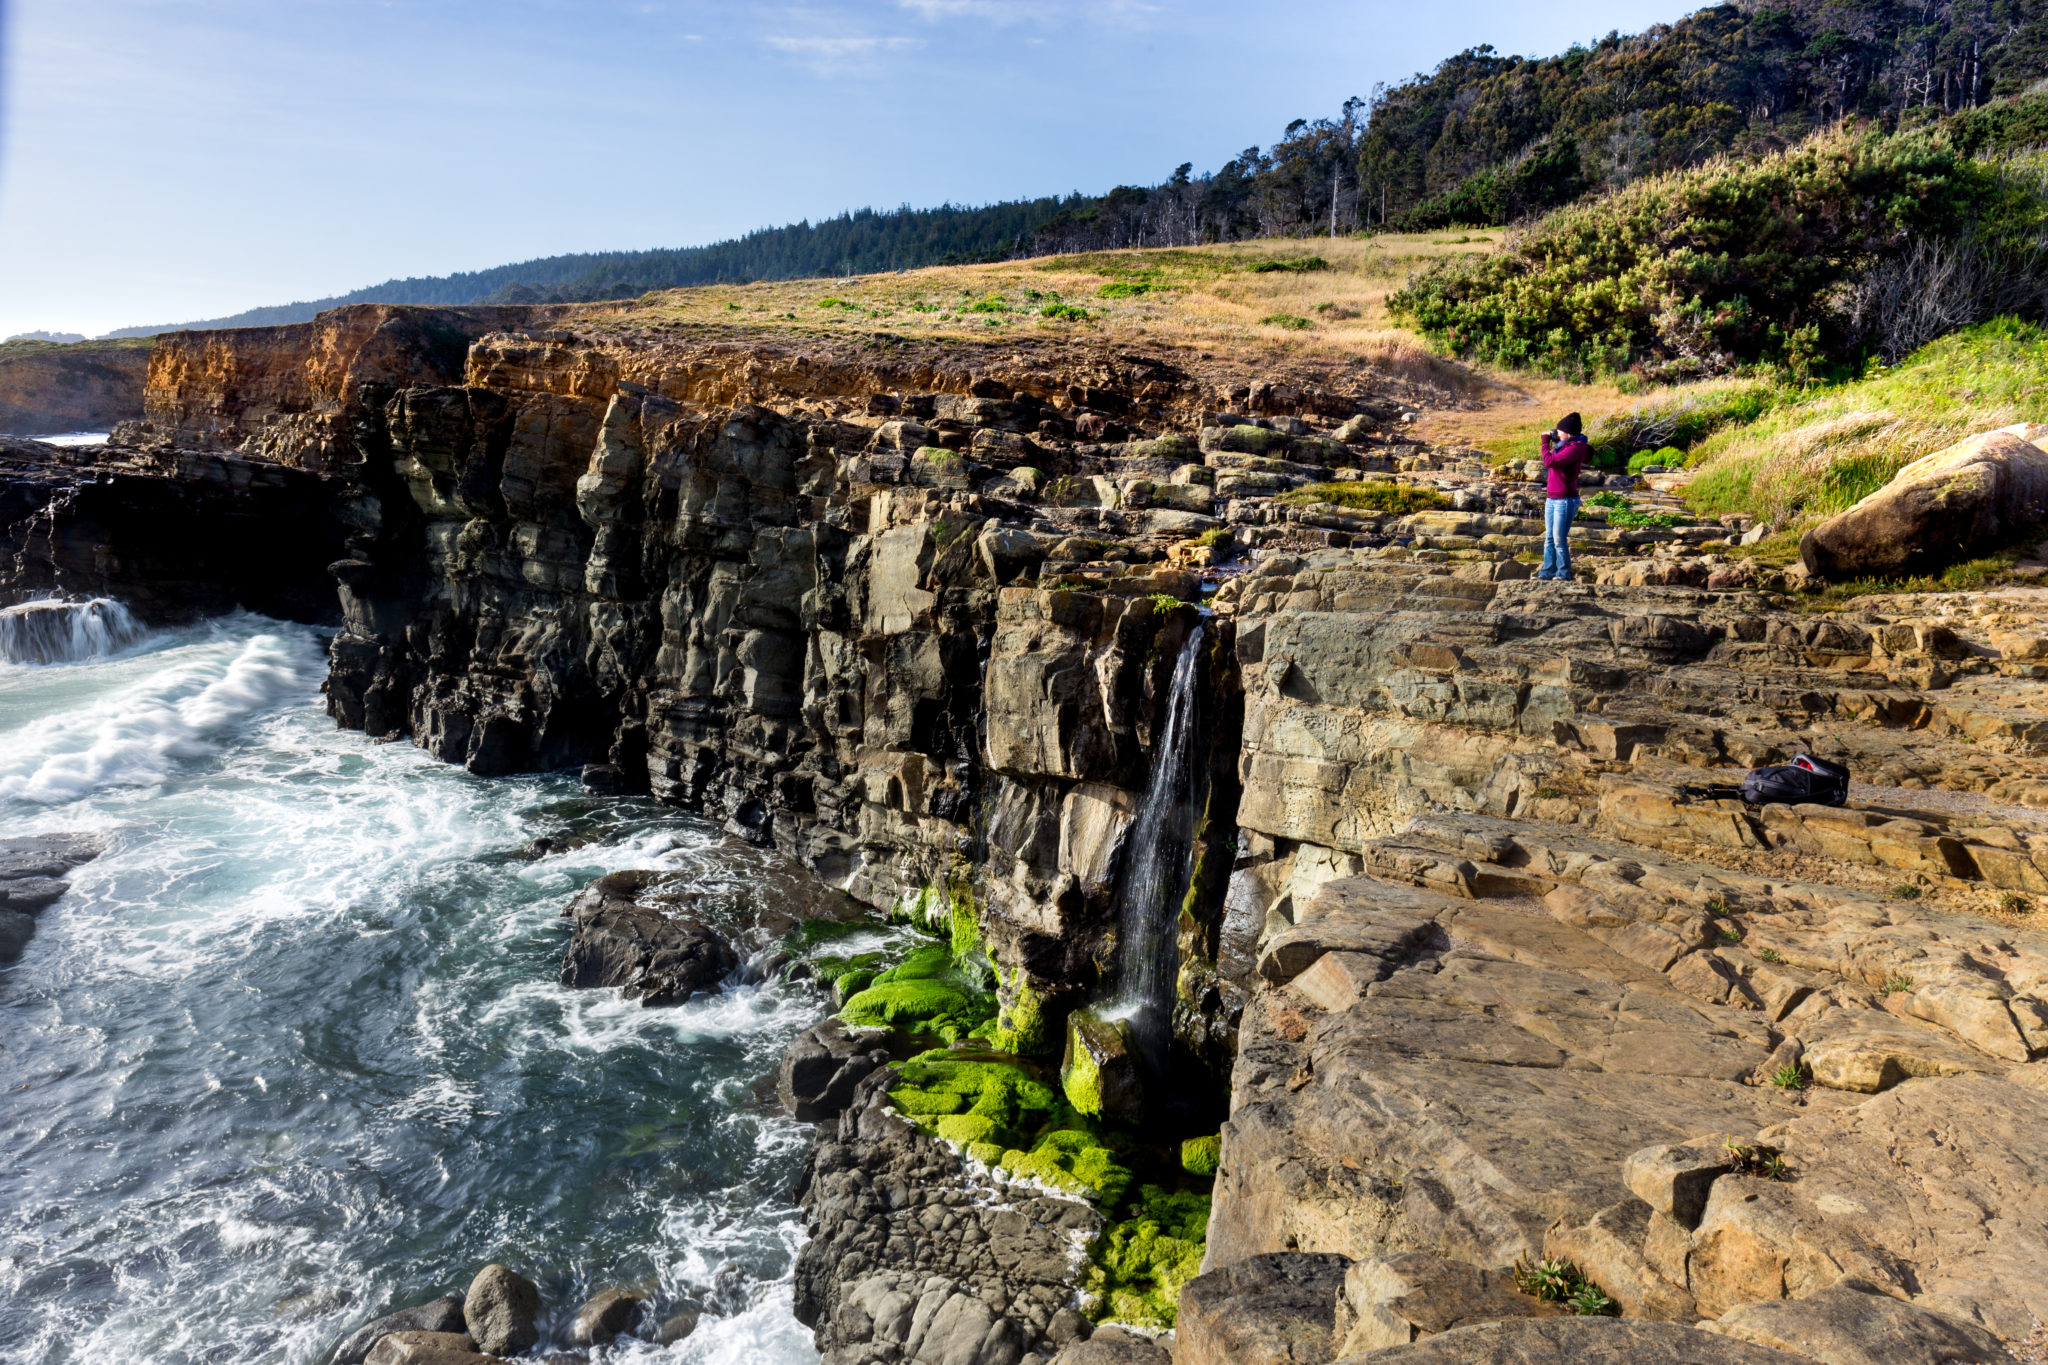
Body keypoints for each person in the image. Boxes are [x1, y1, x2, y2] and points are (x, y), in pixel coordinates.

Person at [1538, 412, 1589, 581]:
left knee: (1559, 539)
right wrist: (1555, 440)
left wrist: (1545, 441)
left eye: (1560, 431)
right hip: (1552, 497)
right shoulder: (1565, 445)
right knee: (1549, 539)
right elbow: (1557, 452)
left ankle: (1563, 573)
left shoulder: (1575, 448)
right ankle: (1547, 572)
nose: (1557, 434)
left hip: (1565, 500)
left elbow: (1549, 462)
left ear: (1568, 433)